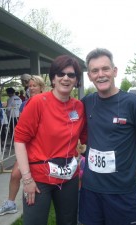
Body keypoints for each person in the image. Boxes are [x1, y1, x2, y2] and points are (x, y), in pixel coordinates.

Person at [79, 48, 136, 225]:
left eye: (105, 69)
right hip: (90, 189)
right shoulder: (87, 103)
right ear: (90, 76)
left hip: (121, 190)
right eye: (95, 71)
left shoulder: (132, 103)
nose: (101, 75)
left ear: (114, 71)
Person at [14, 55, 86, 225]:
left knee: (68, 221)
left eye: (71, 74)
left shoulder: (79, 106)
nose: (66, 78)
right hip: (39, 179)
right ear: (53, 78)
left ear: (76, 80)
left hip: (69, 176)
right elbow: (19, 140)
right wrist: (27, 179)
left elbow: (85, 138)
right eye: (61, 74)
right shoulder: (37, 102)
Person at [0, 75, 45, 216]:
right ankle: (11, 203)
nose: (32, 88)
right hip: (26, 147)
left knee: (36, 177)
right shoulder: (25, 103)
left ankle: (39, 202)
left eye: (35, 85)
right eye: (30, 86)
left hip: (41, 148)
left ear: (41, 87)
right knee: (15, 175)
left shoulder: (46, 102)